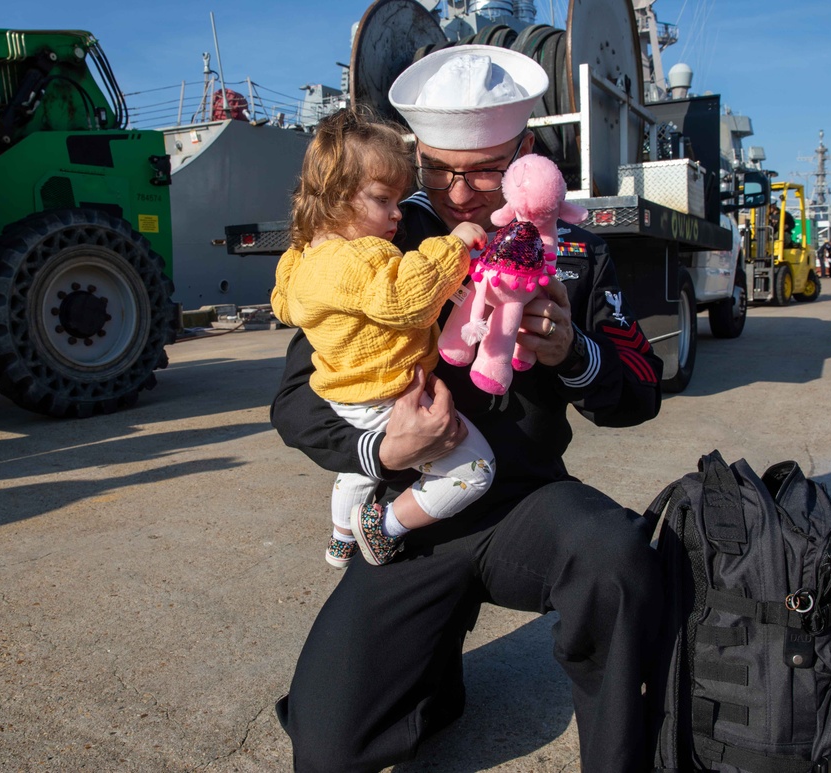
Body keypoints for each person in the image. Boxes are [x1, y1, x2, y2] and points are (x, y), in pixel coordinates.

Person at [271, 45, 664, 772]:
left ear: (525, 152)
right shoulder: (382, 239)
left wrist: (573, 353)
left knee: (617, 556)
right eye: (439, 169)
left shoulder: (569, 247)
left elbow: (643, 387)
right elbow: (296, 396)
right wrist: (382, 450)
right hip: (415, 512)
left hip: (528, 505)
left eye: (484, 169)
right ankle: (431, 679)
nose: (458, 194)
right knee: (325, 748)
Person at [270, 106, 495, 568]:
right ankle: (383, 526)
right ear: (335, 196)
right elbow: (406, 297)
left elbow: (284, 305)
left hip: (346, 400)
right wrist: (453, 245)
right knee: (475, 471)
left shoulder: (299, 260)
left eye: (399, 201)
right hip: (388, 396)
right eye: (381, 199)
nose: (397, 215)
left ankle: (339, 539)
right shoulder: (359, 258)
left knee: (358, 469)